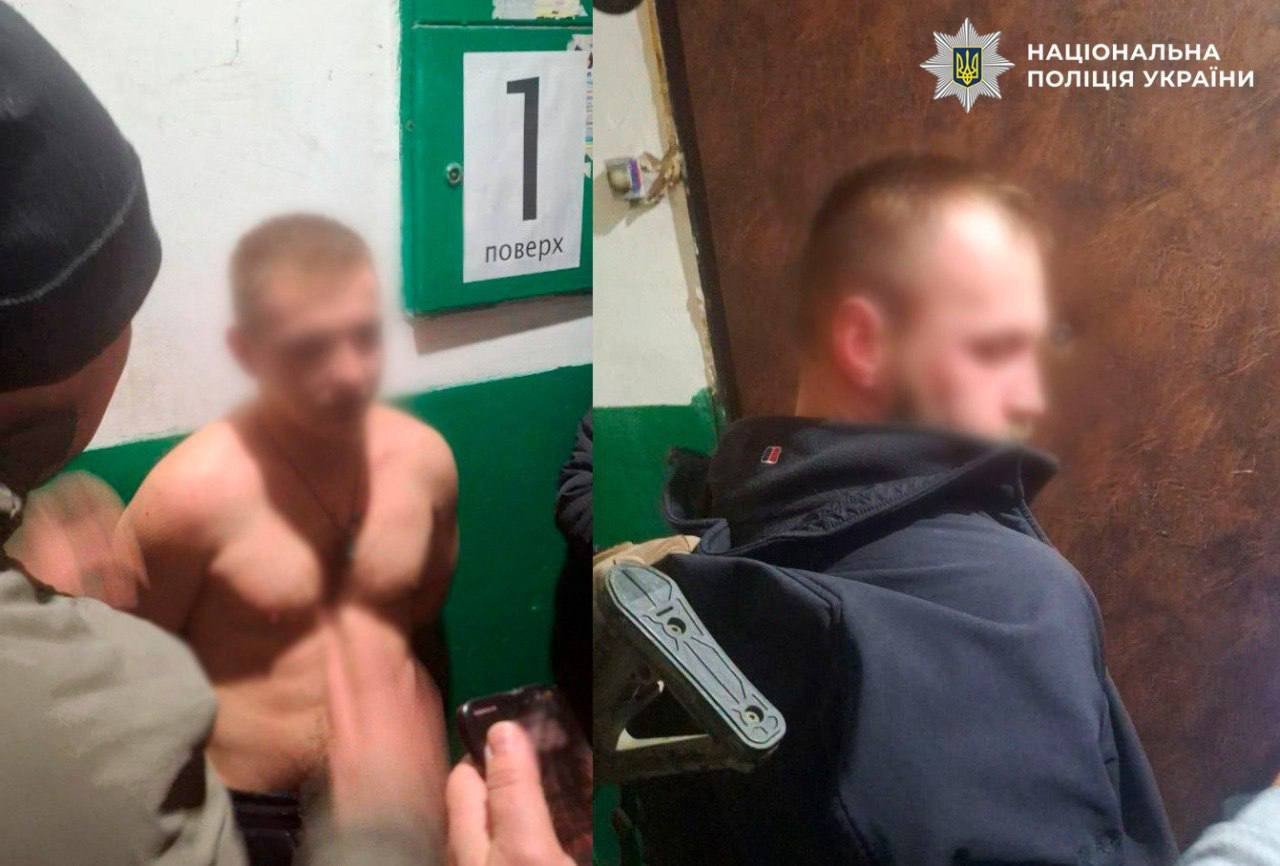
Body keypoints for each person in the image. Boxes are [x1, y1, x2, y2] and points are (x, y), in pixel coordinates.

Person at [627, 154, 1178, 863]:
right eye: (995, 348)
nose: (1030, 397)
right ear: (864, 342)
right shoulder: (1008, 597)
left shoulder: (719, 547)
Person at [110, 212, 459, 863]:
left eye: (364, 337)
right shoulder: (187, 497)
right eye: (311, 348)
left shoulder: (425, 463)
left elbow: (422, 614)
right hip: (247, 810)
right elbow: (128, 676)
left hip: (395, 789)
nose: (349, 372)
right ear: (248, 350)